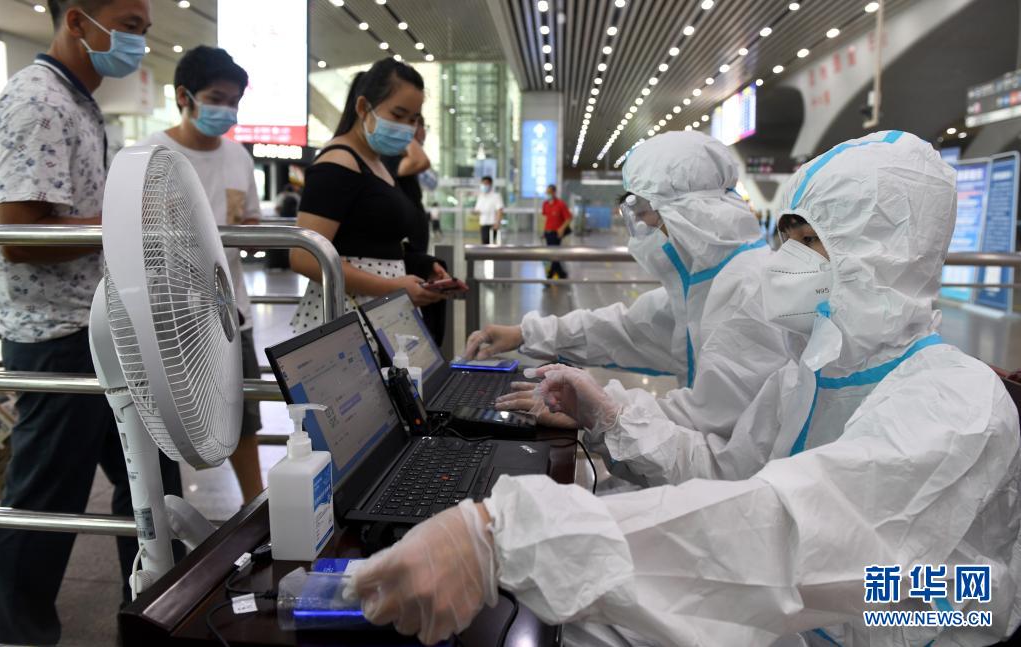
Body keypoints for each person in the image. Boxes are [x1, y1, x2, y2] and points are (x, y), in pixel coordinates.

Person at [345, 132, 1021, 646]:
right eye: (784, 235)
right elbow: (726, 473)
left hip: (924, 618)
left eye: (812, 242)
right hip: (815, 611)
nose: (784, 262)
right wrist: (610, 417)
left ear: (886, 258)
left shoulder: (954, 403)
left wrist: (515, 536)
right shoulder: (808, 376)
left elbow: (791, 536)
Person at [0, 1, 173, 644]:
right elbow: (19, 235)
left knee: (149, 486)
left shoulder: (75, 100)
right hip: (58, 334)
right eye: (128, 26)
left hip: (98, 326)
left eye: (144, 30)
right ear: (77, 21)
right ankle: (15, 633)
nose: (139, 42)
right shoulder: (40, 101)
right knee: (46, 502)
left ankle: (154, 615)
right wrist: (128, 224)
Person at [464, 132, 771, 390]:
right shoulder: (704, 286)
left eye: (644, 213)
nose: (644, 227)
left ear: (690, 211)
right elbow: (629, 331)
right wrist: (526, 333)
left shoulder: (750, 294)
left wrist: (608, 415)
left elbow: (717, 431)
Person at [138, 46, 265, 504]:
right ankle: (163, 518)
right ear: (183, 97)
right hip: (168, 316)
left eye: (234, 101)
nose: (226, 110)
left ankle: (257, 508)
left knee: (243, 419)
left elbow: (250, 222)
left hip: (230, 312)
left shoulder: (238, 156)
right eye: (216, 98)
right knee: (164, 423)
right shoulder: (149, 154)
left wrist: (248, 235)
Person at [289, 58, 448, 332]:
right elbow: (305, 256)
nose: (407, 128)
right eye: (398, 115)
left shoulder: (375, 162)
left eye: (413, 119)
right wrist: (389, 286)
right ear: (363, 107)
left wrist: (422, 265)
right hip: (350, 318)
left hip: (379, 313)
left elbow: (372, 242)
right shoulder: (338, 163)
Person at [382, 116, 449, 344]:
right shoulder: (388, 158)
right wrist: (405, 132)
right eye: (416, 124)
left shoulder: (397, 161)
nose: (423, 133)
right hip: (401, 259)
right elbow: (421, 161)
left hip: (411, 256)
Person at [541, 184, 572, 279]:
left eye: (549, 192)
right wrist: (543, 231)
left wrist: (561, 228)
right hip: (548, 232)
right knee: (551, 253)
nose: (548, 194)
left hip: (556, 233)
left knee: (553, 253)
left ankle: (551, 274)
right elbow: (545, 218)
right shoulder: (545, 204)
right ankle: (561, 273)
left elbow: (569, 218)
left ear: (554, 192)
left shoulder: (560, 204)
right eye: (547, 192)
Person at [474, 175, 503, 245]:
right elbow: (477, 210)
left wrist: (497, 223)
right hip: (483, 224)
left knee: (490, 244)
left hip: (492, 224)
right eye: (483, 184)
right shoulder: (481, 196)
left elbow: (499, 210)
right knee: (484, 243)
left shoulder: (496, 196)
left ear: (490, 184)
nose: (484, 185)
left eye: (486, 183)